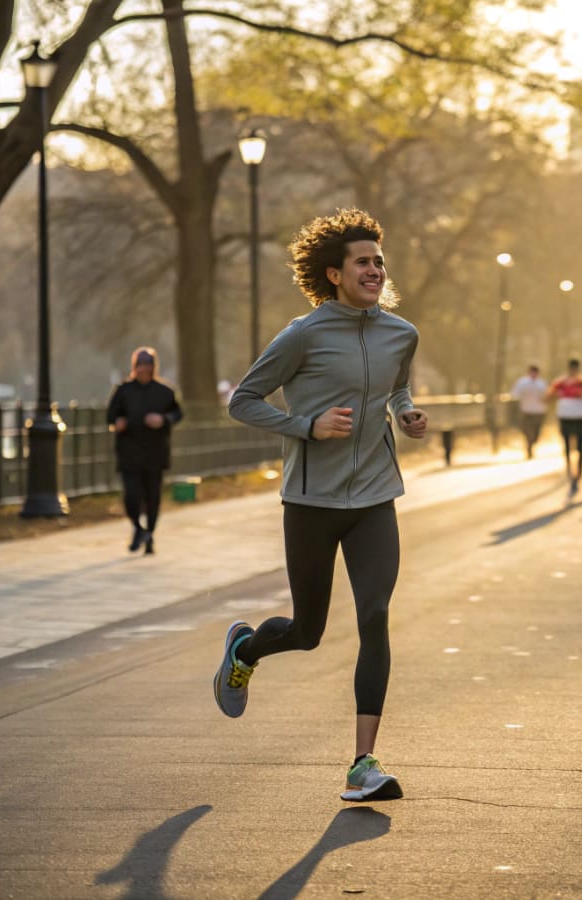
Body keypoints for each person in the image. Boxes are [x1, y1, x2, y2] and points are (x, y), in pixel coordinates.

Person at [212, 209, 427, 803]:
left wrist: (406, 412)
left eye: (379, 261)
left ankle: (363, 764)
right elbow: (244, 400)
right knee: (308, 630)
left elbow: (397, 383)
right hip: (310, 501)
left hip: (376, 497)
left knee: (375, 616)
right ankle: (245, 649)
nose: (375, 270)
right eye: (363, 261)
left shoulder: (401, 333)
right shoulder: (303, 334)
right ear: (334, 274)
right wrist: (306, 425)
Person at [105, 347, 183, 555]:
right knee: (131, 496)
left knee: (152, 498)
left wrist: (163, 420)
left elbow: (177, 413)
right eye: (140, 366)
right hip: (129, 452)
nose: (143, 370)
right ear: (134, 367)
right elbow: (110, 416)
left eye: (147, 366)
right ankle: (139, 529)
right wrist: (117, 422)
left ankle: (150, 536)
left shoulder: (165, 392)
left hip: (155, 453)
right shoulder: (123, 391)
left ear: (153, 368)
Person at [548, 358, 582, 497]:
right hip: (565, 416)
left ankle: (578, 474)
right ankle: (569, 472)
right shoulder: (560, 382)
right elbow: (549, 396)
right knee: (566, 445)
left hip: (579, 417)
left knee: (580, 447)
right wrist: (557, 395)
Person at [510, 364, 549, 459]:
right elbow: (515, 394)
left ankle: (532, 443)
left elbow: (547, 396)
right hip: (526, 411)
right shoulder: (522, 382)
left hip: (539, 411)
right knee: (527, 431)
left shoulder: (542, 384)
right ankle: (529, 447)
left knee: (536, 432)